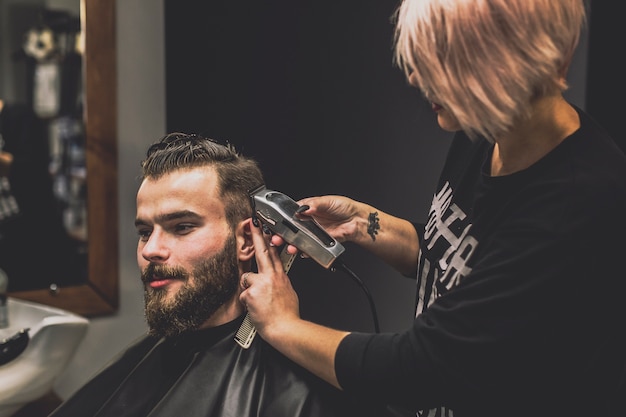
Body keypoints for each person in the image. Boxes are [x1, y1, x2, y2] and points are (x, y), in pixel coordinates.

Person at [240, 1, 626, 417]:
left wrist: (282, 325)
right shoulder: (489, 127)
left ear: (509, 62)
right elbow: (462, 257)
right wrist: (366, 224)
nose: (416, 76)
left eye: (441, 60)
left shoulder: (575, 207)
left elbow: (418, 370)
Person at [49, 133, 383, 417]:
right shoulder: (141, 364)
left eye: (181, 227)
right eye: (144, 231)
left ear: (246, 241)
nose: (151, 249)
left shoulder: (303, 392)